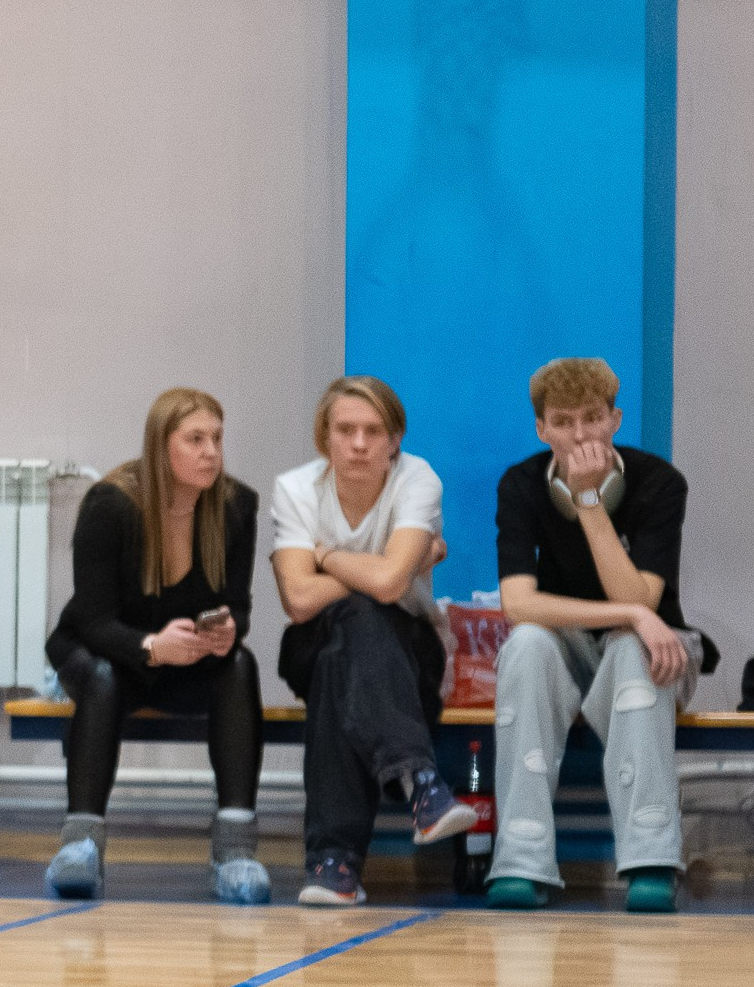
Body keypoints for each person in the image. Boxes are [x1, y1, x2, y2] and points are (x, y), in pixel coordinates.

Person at [486, 357, 712, 914]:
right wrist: (631, 614)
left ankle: (651, 859)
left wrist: (588, 501)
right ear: (542, 429)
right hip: (566, 646)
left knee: (638, 651)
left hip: (653, 645)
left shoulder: (660, 482)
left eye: (592, 419)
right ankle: (521, 858)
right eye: (563, 422)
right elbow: (518, 604)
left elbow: (639, 600)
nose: (580, 435)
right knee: (525, 646)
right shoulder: (520, 483)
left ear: (615, 419)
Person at [43, 387, 263, 903]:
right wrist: (149, 646)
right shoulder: (110, 502)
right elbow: (93, 619)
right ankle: (81, 846)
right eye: (195, 439)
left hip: (183, 658)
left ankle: (235, 849)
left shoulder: (235, 505)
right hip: (103, 648)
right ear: (161, 447)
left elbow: (241, 606)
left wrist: (228, 633)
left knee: (241, 667)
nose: (211, 451)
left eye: (217, 439)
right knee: (101, 677)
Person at [268, 376, 475, 906]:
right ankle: (419, 780)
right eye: (345, 430)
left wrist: (328, 557)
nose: (359, 443)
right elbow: (297, 599)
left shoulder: (418, 480)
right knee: (353, 618)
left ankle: (333, 863)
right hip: (308, 641)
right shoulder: (295, 488)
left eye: (373, 431)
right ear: (325, 439)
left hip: (409, 647)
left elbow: (389, 587)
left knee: (340, 672)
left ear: (394, 439)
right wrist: (390, 565)